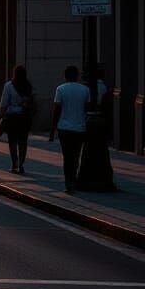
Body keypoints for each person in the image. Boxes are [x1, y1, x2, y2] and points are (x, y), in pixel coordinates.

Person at [50, 65, 89, 193]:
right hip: (80, 127)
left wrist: (53, 127)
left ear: (65, 76)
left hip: (64, 128)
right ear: (77, 76)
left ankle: (69, 182)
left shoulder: (60, 89)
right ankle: (74, 178)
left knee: (67, 156)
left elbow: (57, 109)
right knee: (76, 155)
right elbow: (87, 108)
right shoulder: (85, 90)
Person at [0, 65, 34, 175]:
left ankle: (14, 164)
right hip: (24, 118)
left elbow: (4, 103)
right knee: (23, 142)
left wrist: (1, 116)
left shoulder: (9, 86)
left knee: (12, 142)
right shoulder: (28, 86)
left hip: (12, 117)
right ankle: (21, 164)